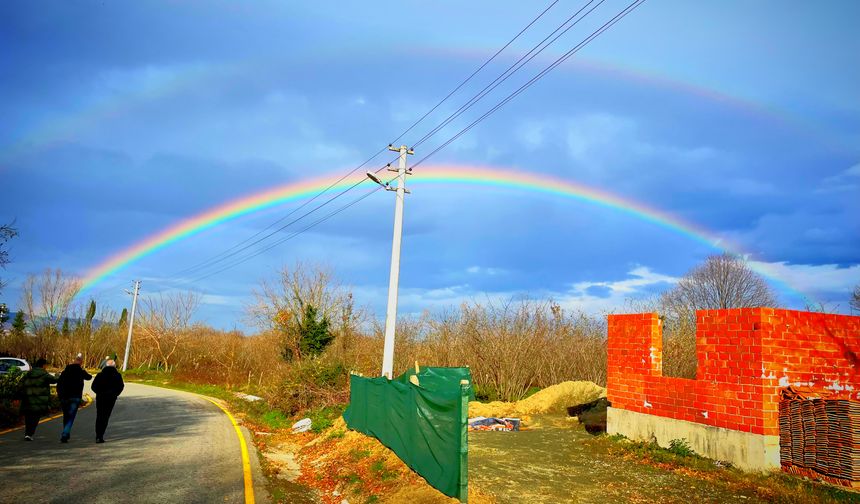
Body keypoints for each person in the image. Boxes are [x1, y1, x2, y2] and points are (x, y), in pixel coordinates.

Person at [56, 353, 92, 443]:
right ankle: (65, 434)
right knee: (71, 416)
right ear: (81, 363)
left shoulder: (65, 372)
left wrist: (60, 395)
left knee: (66, 416)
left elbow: (59, 384)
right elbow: (89, 377)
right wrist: (84, 370)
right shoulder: (81, 372)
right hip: (75, 396)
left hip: (64, 396)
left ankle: (66, 433)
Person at [20, 358, 57, 441]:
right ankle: (30, 434)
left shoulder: (29, 373)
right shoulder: (44, 374)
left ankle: (27, 433)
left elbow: (21, 382)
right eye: (46, 365)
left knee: (28, 417)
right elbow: (54, 380)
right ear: (43, 365)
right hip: (39, 401)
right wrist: (57, 375)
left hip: (28, 399)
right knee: (35, 418)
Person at [91, 359, 124, 443]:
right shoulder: (117, 375)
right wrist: (115, 394)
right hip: (111, 399)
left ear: (105, 366)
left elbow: (93, 386)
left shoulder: (100, 375)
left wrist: (99, 393)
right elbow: (121, 386)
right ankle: (101, 435)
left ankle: (98, 435)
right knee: (106, 416)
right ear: (114, 366)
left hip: (100, 398)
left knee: (99, 416)